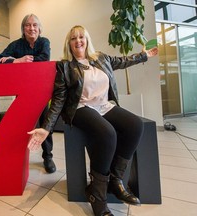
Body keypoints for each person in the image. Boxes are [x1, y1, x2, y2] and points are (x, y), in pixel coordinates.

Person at [28, 25, 158, 216]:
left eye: (81, 37)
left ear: (87, 40)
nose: (78, 41)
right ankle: (97, 195)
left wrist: (143, 55)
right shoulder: (65, 66)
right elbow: (58, 99)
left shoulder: (101, 58)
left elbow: (123, 61)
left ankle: (115, 179)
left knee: (135, 125)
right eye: (73, 38)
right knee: (108, 133)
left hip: (104, 105)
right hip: (81, 108)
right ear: (69, 44)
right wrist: (46, 128)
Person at [0, 14, 56, 174]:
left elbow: (44, 59)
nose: (31, 28)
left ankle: (48, 156)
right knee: (20, 125)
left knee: (44, 124)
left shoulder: (44, 42)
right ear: (23, 28)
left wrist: (23, 60)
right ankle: (17, 157)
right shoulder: (16, 44)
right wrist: (16, 61)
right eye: (27, 25)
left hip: (41, 90)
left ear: (39, 29)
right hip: (22, 92)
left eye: (35, 25)